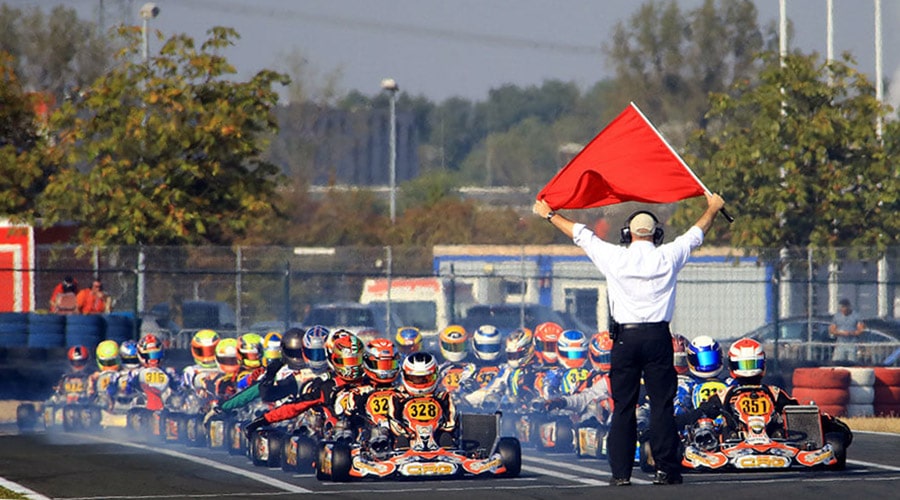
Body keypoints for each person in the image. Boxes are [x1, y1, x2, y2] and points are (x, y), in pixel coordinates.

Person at [533, 191, 725, 486]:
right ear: (657, 234)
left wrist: (548, 214)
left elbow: (581, 235)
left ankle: (620, 474)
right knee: (662, 404)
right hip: (658, 336)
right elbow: (696, 234)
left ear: (627, 234)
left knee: (623, 405)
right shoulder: (668, 255)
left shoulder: (615, 257)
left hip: (625, 338)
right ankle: (666, 469)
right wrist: (713, 208)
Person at [829, 298, 864, 363]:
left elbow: (860, 330)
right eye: (842, 307)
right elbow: (832, 330)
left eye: (845, 307)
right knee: (837, 362)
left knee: (852, 362)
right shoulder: (837, 316)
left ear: (849, 306)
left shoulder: (856, 316)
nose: (843, 309)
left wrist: (850, 333)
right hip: (840, 343)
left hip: (852, 344)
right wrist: (840, 333)